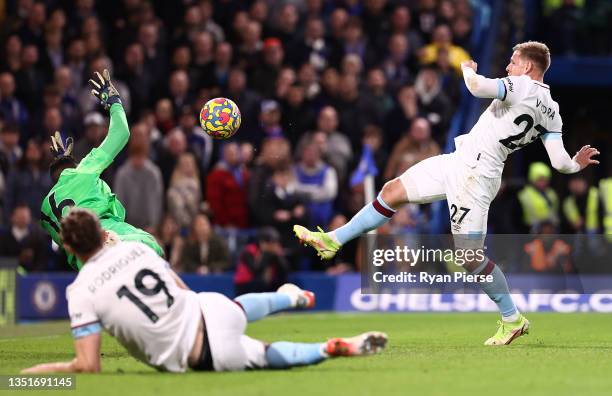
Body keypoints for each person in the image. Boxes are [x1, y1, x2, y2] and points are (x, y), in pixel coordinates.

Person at [294, 41, 600, 345]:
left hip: (476, 176)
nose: (508, 67)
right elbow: (560, 163)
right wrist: (576, 164)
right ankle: (333, 239)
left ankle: (512, 319)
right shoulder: (553, 110)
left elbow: (477, 87)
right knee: (392, 190)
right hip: (460, 163)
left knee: (468, 256)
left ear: (528, 67)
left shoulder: (521, 85)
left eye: (513, 62)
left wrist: (466, 69)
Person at [21, 208, 387, 374]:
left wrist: (33, 374)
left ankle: (326, 348)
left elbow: (88, 366)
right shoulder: (134, 248)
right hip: (204, 308)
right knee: (235, 308)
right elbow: (179, 287)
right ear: (103, 233)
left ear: (69, 248)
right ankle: (288, 297)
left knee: (267, 354)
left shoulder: (81, 290)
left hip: (199, 351)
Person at [40, 69, 164, 270]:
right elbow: (121, 132)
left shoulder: (46, 211)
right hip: (114, 238)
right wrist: (113, 101)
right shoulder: (84, 172)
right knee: (154, 249)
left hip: (88, 266)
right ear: (74, 166)